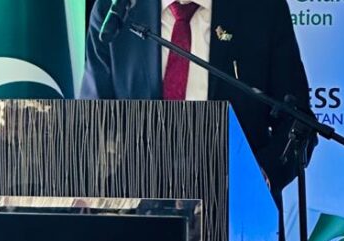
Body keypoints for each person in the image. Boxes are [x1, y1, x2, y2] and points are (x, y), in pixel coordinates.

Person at [81, 0, 317, 192]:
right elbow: (93, 120)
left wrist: (262, 175)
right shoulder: (116, 10)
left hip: (235, 206)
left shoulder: (262, 9)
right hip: (138, 207)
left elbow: (298, 120)